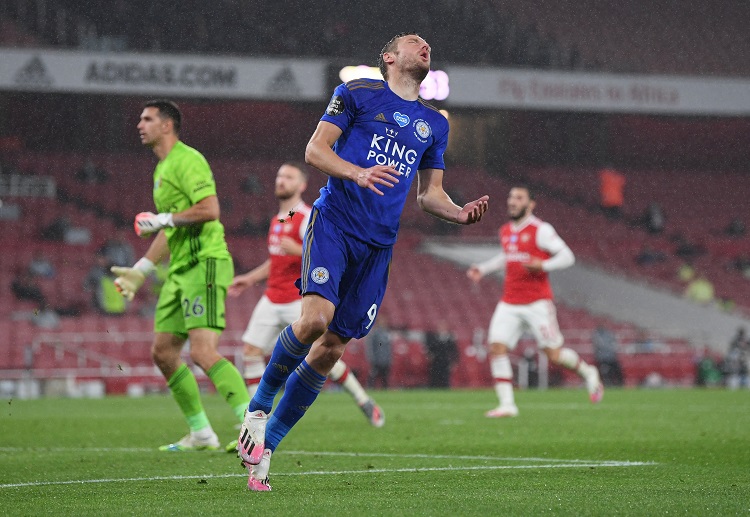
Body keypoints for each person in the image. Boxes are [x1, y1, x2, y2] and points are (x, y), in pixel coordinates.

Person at [237, 33, 489, 491]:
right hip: (334, 222)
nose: (426, 45)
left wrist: (459, 213)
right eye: (415, 42)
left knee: (332, 347)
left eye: (429, 42)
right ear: (390, 57)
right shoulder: (355, 93)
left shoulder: (434, 123)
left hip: (378, 246)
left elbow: (429, 195)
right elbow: (315, 151)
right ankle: (258, 407)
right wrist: (357, 172)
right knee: (315, 320)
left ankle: (267, 445)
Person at [110, 99, 250, 451]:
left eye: (147, 119)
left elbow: (210, 209)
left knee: (204, 352)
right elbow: (169, 229)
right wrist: (142, 270)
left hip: (205, 263)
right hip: (179, 270)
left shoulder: (188, 160)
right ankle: (201, 433)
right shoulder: (161, 170)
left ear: (167, 125)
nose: (139, 125)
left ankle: (254, 427)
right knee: (163, 352)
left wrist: (163, 219)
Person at [227, 162, 384, 433]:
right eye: (279, 175)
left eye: (288, 177)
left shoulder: (308, 216)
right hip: (271, 297)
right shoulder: (282, 218)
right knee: (251, 351)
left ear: (301, 185)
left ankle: (363, 399)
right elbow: (277, 258)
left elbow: (324, 255)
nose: (281, 180)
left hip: (296, 299)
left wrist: (298, 249)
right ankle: (255, 419)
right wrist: (250, 278)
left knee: (322, 355)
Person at [467, 185, 602, 418]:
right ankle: (507, 405)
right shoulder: (506, 230)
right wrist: (484, 268)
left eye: (518, 198)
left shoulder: (541, 229)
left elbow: (567, 256)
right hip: (509, 301)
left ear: (531, 204)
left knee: (554, 355)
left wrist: (543, 265)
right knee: (497, 347)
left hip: (537, 302)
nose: (512, 201)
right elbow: (507, 256)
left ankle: (589, 372)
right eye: (510, 197)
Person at [424, 322, 459, 388]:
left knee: (445, 379)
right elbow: (429, 348)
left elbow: (455, 351)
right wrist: (429, 355)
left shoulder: (450, 338)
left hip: (445, 361)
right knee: (434, 378)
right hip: (435, 361)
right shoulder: (433, 336)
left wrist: (454, 361)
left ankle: (445, 392)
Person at [365, 315, 392, 389]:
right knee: (374, 375)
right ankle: (370, 387)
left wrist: (389, 358)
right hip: (377, 359)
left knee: (384, 376)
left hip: (385, 359)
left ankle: (384, 389)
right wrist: (372, 357)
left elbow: (388, 348)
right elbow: (370, 347)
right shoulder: (374, 334)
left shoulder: (386, 333)